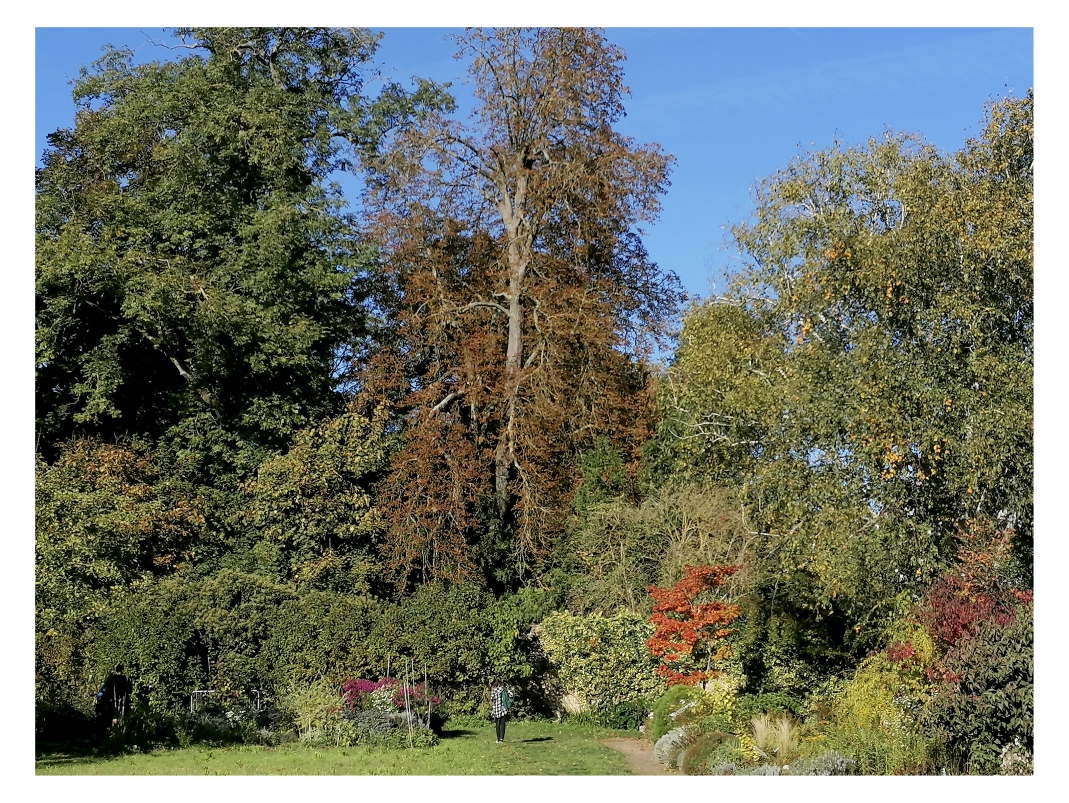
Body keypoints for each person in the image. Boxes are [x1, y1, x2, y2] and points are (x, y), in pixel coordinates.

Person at [490, 675, 513, 743]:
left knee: (497, 724)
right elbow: (511, 694)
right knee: (502, 724)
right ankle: (501, 739)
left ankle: (498, 739)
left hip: (496, 709)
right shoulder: (504, 689)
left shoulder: (493, 690)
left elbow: (492, 699)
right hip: (503, 709)